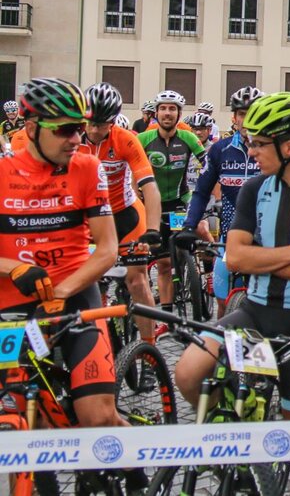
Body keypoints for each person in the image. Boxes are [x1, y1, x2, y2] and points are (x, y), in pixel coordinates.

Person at [175, 92, 290, 496]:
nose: (251, 152)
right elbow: (235, 257)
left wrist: (264, 257)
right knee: (187, 373)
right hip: (253, 312)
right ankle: (231, 443)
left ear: (288, 146)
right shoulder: (255, 189)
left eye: (258, 143)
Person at [0, 78, 151, 489]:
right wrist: (11, 265)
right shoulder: (2, 172)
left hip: (75, 294)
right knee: (26, 414)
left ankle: (134, 469)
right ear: (31, 128)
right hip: (13, 308)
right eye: (65, 129)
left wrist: (63, 291)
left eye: (80, 129)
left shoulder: (88, 167)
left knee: (97, 416)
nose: (77, 138)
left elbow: (105, 250)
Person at [80, 82, 163, 344]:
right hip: (89, 220)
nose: (94, 130)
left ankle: (149, 350)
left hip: (126, 215)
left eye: (102, 124)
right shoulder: (72, 139)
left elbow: (149, 187)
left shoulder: (126, 139)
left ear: (113, 121)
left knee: (137, 281)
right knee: (88, 283)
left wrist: (152, 230)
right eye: (90, 122)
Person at [176, 87, 264, 317]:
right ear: (234, 118)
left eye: (253, 112)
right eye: (242, 114)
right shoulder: (220, 150)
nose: (247, 119)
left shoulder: (271, 150)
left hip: (266, 238)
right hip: (230, 235)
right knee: (223, 302)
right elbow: (201, 192)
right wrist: (189, 226)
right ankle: (224, 350)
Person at [136, 90, 207, 337]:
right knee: (164, 264)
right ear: (156, 113)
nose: (168, 113)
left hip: (179, 199)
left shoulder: (188, 138)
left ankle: (202, 271)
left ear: (179, 113)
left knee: (198, 231)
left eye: (172, 109)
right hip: (152, 205)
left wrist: (205, 195)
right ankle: (167, 314)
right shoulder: (144, 139)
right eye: (163, 108)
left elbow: (207, 164)